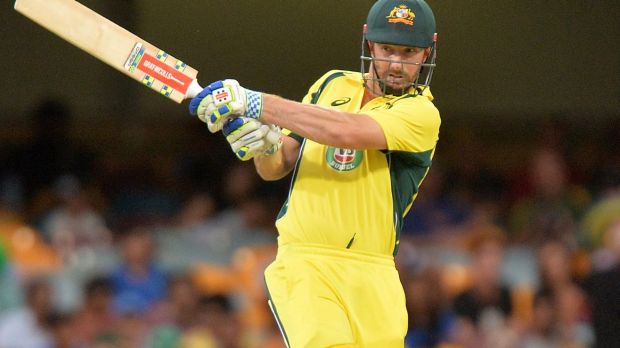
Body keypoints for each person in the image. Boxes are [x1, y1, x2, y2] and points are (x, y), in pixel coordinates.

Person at [189, 0, 440, 346]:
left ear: (427, 52)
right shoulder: (331, 85)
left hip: (376, 273)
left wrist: (255, 103)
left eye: (408, 53)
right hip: (307, 261)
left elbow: (343, 131)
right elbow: (277, 166)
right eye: (387, 50)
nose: (395, 63)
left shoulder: (421, 113)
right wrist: (263, 146)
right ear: (369, 43)